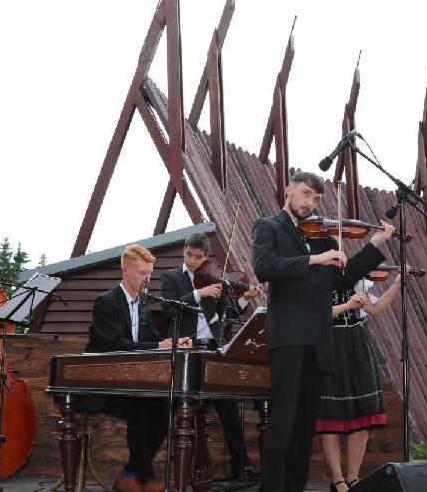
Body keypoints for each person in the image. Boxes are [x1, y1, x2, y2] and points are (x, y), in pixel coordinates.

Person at [251, 171, 395, 492]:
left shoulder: (323, 237)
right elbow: (264, 267)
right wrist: (315, 259)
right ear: (289, 190)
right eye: (305, 194)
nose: (310, 203)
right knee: (282, 419)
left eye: (316, 199)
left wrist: (374, 245)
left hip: (319, 340)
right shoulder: (269, 227)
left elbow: (341, 282)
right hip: (288, 337)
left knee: (304, 426)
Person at [84, 244, 191, 492]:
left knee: (164, 406)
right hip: (101, 384)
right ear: (125, 271)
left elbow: (151, 337)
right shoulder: (106, 302)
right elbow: (114, 345)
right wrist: (158, 345)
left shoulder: (143, 304)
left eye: (150, 273)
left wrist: (174, 343)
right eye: (142, 273)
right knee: (141, 407)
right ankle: (143, 477)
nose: (147, 279)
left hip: (131, 383)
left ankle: (131, 474)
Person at [159, 232, 263, 480]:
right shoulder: (171, 277)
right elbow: (166, 309)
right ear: (184, 251)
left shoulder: (214, 279)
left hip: (213, 349)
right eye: (189, 255)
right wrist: (198, 294)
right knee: (187, 412)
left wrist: (244, 300)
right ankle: (187, 470)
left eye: (198, 256)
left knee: (229, 410)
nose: (193, 260)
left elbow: (227, 314)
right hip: (186, 349)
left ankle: (241, 464)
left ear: (207, 257)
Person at [316, 270, 406, 492]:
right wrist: (347, 305)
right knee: (331, 415)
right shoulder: (317, 278)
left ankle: (353, 477)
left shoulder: (356, 280)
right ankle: (337, 480)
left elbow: (374, 309)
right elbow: (315, 314)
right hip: (329, 343)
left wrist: (396, 284)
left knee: (363, 412)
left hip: (356, 343)